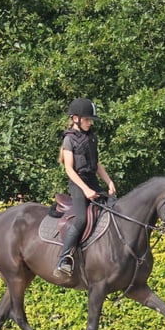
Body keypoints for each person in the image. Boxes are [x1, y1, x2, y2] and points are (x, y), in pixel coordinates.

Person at [54, 97, 116, 276]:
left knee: (111, 209)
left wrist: (109, 181)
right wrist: (85, 190)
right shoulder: (69, 140)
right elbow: (69, 169)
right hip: (77, 183)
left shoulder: (91, 138)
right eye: (87, 119)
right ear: (75, 119)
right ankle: (64, 259)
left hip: (92, 181)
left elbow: (96, 164)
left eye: (90, 120)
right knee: (81, 219)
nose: (90, 123)